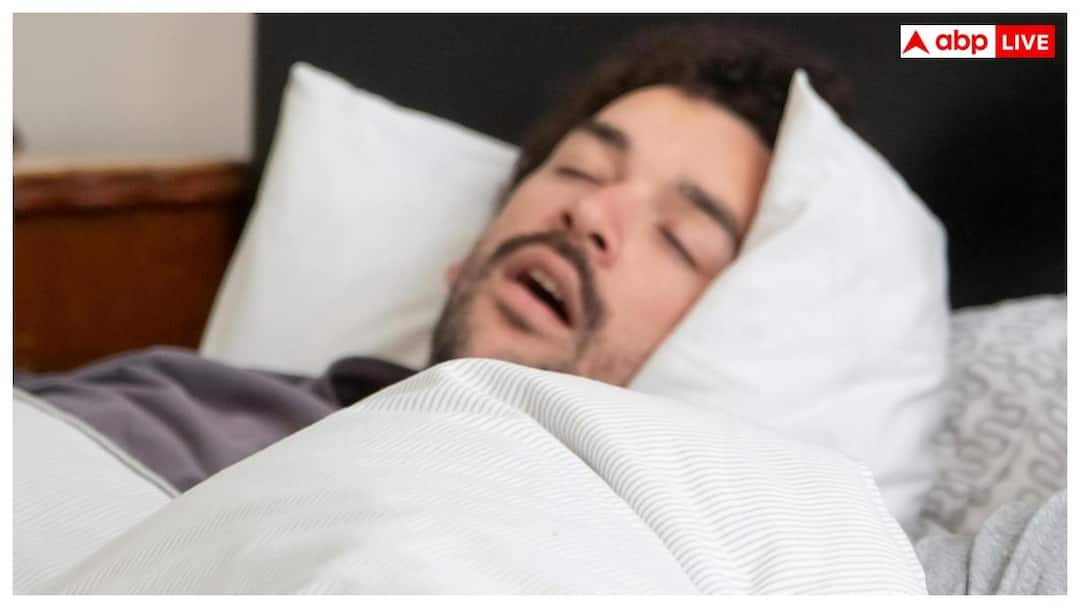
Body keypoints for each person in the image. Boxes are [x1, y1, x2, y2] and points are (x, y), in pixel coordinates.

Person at [14, 23, 855, 493]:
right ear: (470, 255)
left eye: (678, 237)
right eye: (578, 170)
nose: (589, 212)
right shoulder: (186, 400)